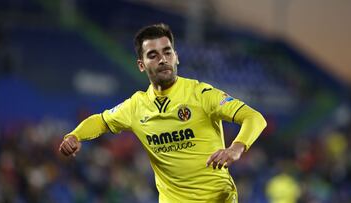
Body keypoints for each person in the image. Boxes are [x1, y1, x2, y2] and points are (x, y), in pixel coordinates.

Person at [59, 23, 267, 203]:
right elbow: (102, 121)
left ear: (176, 57)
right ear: (141, 65)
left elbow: (254, 117)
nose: (162, 59)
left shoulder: (201, 94)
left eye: (167, 52)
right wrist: (75, 135)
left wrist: (235, 149)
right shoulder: (136, 106)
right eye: (153, 55)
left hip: (217, 199)